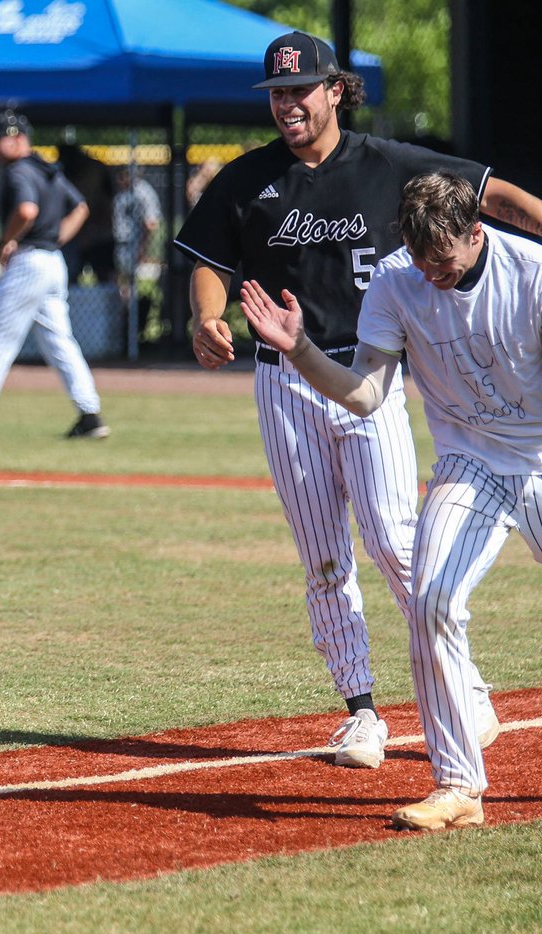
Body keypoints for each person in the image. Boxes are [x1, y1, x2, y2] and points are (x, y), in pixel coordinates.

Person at [173, 31, 542, 767]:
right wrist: (204, 318)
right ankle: (361, 710)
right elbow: (209, 262)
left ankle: (464, 688)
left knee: (398, 541)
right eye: (277, 93)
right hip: (285, 380)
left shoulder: (389, 164)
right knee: (322, 556)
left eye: (300, 90)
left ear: (335, 90)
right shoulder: (248, 179)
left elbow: (490, 194)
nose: (288, 104)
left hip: (369, 372)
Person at [239, 172, 542, 830]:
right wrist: (300, 350)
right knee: (431, 602)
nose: (432, 274)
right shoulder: (395, 280)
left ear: (476, 233)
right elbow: (365, 395)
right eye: (421, 259)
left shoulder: (531, 273)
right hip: (470, 465)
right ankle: (458, 786)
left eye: (444, 260)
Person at [0, 111, 109, 442]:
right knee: (60, 342)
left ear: (16, 139)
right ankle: (90, 415)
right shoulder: (45, 168)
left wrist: (7, 240)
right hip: (52, 262)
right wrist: (56, 239)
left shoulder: (19, 171)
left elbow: (27, 210)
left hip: (28, 263)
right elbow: (80, 207)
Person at [56, 140, 116, 284]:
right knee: (68, 276)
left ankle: (113, 298)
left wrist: (91, 232)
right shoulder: (62, 175)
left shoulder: (95, 170)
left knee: (106, 276)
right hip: (74, 236)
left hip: (99, 235)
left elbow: (106, 206)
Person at [112, 167, 162, 281]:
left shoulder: (143, 191)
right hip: (120, 241)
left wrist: (143, 247)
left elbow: (151, 223)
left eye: (122, 174)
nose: (119, 178)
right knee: (121, 278)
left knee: (133, 279)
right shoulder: (121, 191)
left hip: (135, 242)